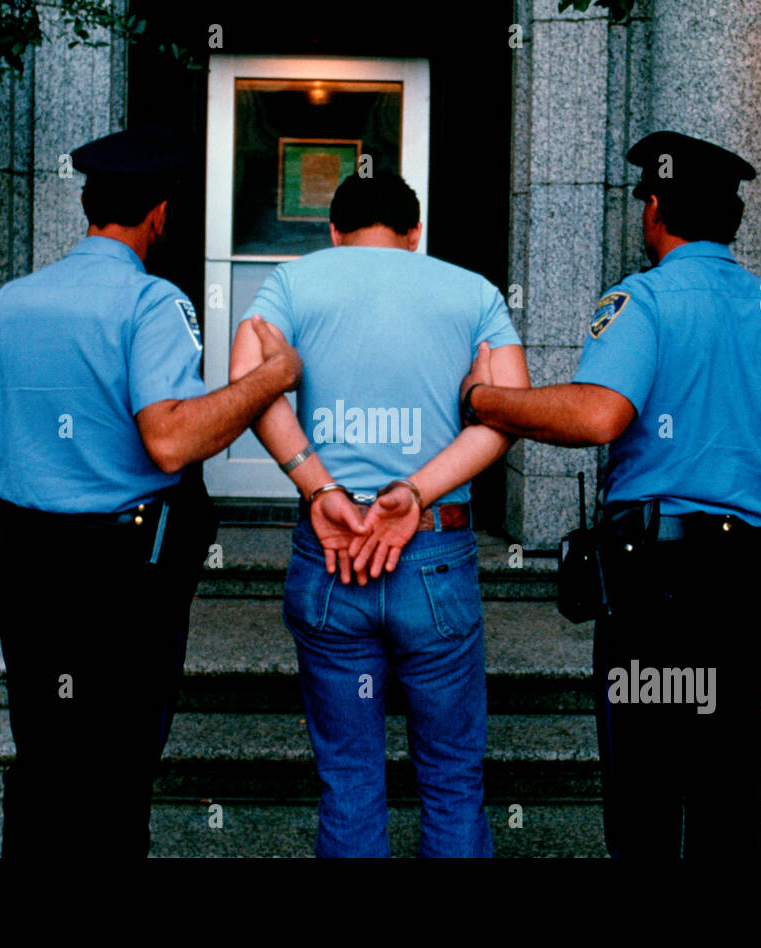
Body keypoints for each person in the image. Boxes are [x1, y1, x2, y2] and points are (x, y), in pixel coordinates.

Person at [457, 130, 761, 859]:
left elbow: (601, 414)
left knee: (645, 784)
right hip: (750, 579)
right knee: (727, 776)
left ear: (656, 210)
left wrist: (489, 400)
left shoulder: (643, 300)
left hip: (660, 585)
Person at [0, 125, 302, 858]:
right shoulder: (154, 304)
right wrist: (270, 379)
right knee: (117, 768)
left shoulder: (5, 307)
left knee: (45, 753)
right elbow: (172, 439)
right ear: (159, 214)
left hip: (24, 564)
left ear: (88, 206)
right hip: (121, 577)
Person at [229, 171, 530, 857]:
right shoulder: (473, 292)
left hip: (333, 553)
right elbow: (511, 413)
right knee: (453, 779)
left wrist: (321, 489)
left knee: (349, 781)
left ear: (333, 232)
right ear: (414, 232)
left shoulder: (293, 282)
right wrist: (417, 491)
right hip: (433, 554)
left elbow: (245, 386)